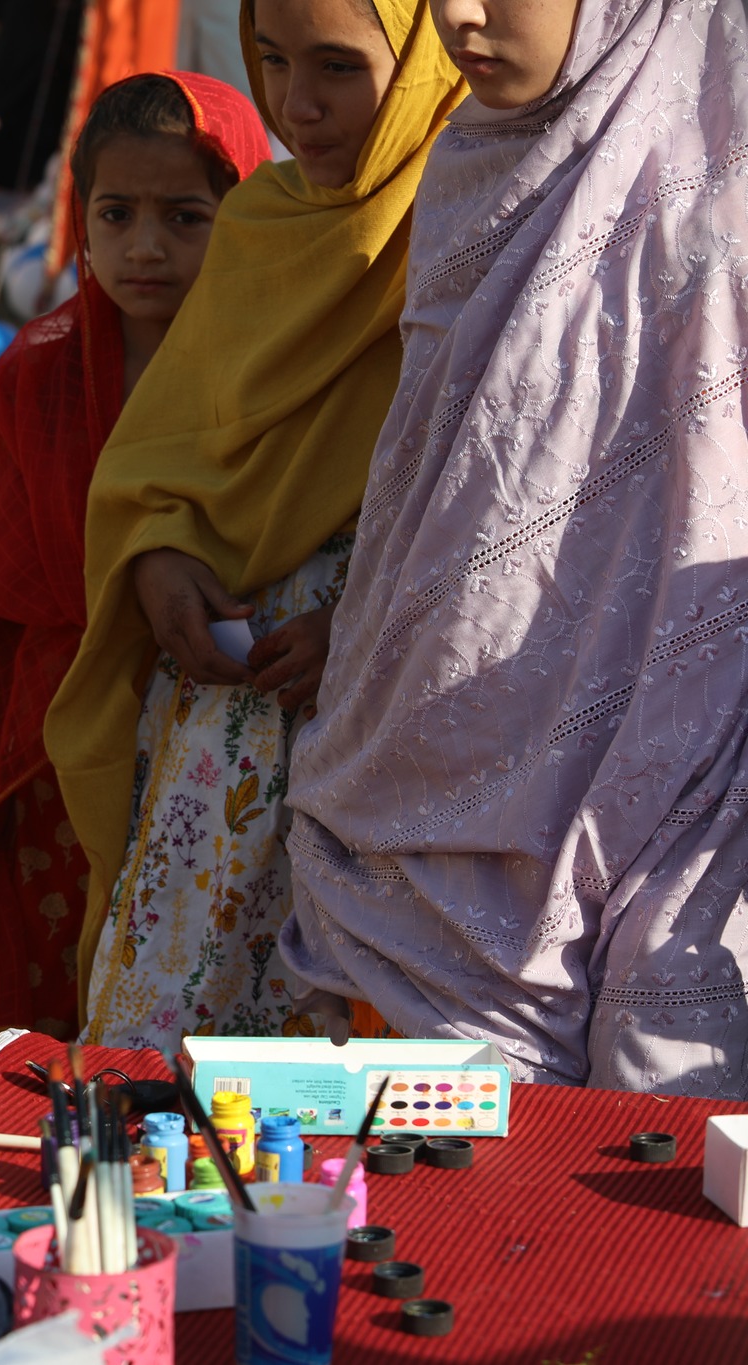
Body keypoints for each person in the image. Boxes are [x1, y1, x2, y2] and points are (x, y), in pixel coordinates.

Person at [282, 0, 748, 1095]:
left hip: (687, 744)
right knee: (429, 1193)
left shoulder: (724, 163)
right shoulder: (466, 168)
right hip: (428, 744)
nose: (457, 13)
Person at [45, 0, 463, 1050]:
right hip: (223, 716)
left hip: (390, 694)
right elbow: (169, 448)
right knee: (182, 1022)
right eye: (271, 62)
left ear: (421, 63)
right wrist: (157, 553)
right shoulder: (261, 224)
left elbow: (497, 484)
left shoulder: (474, 224)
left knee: (346, 1059)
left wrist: (363, 624)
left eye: (336, 67)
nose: (296, 106)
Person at [0, 73, 270, 1096]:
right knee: (38, 1018)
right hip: (55, 758)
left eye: (184, 217)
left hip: (219, 743)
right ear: (79, 221)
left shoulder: (276, 367)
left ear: (244, 216)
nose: (144, 246)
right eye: (115, 214)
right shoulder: (40, 372)